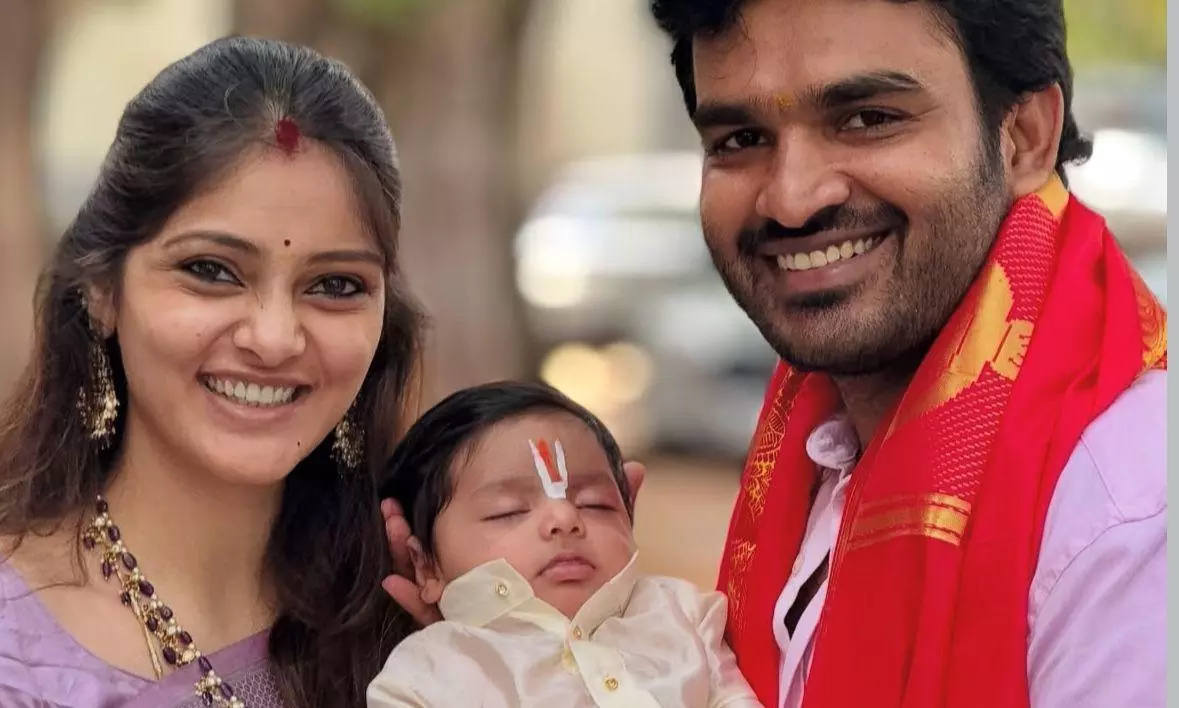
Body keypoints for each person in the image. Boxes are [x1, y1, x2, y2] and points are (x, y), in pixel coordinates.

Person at [642, 1, 1166, 707]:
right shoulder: (821, 443)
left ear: (1024, 139)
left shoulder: (1129, 511)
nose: (792, 200)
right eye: (740, 139)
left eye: (867, 119)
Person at [0, 36, 421, 708]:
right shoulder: (16, 655)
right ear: (102, 290)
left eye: (336, 285)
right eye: (210, 271)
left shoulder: (430, 625)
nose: (274, 339)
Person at [368, 382, 759, 707]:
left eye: (595, 504)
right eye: (508, 511)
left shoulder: (685, 613)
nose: (565, 518)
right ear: (425, 565)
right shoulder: (424, 676)